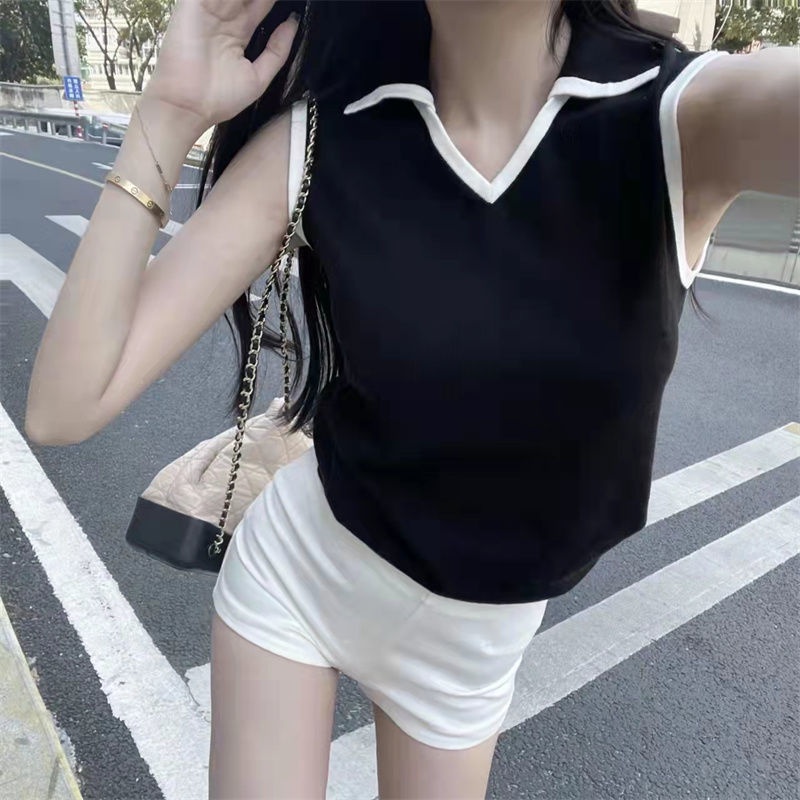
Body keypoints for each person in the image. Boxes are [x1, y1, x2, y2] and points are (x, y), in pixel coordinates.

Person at [24, 1, 798, 798]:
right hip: (298, 582)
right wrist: (168, 111)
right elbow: (61, 407)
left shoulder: (683, 112)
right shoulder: (326, 134)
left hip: (465, 664)